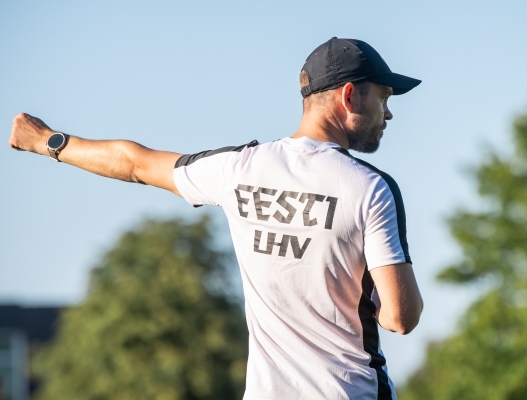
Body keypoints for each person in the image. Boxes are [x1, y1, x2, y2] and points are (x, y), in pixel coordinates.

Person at [8, 37, 423, 400]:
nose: (387, 115)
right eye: (383, 98)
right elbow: (400, 319)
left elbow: (134, 163)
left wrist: (46, 141)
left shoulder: (240, 168)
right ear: (349, 95)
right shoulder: (370, 188)